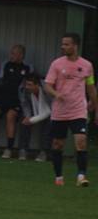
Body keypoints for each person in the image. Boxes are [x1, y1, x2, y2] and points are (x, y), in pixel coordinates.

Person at [44, 33, 97, 187]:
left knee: (81, 141)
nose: (63, 47)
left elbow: (91, 87)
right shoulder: (57, 64)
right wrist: (56, 94)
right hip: (60, 112)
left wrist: (95, 106)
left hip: (78, 110)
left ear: (75, 46)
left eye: (67, 44)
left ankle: (81, 176)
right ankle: (59, 177)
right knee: (57, 145)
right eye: (62, 44)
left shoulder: (87, 65)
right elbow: (47, 85)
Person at [0, 44, 32, 158]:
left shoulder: (27, 68)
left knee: (10, 116)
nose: (11, 56)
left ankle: (9, 148)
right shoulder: (5, 65)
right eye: (11, 53)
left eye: (14, 53)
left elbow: (31, 83)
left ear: (21, 55)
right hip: (2, 97)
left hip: (17, 100)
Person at [17, 72, 51, 162]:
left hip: (50, 109)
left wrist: (34, 119)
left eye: (30, 85)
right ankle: (23, 150)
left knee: (49, 123)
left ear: (37, 85)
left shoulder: (47, 88)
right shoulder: (23, 89)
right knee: (24, 120)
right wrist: (28, 116)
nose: (27, 87)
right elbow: (24, 104)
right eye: (26, 84)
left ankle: (44, 152)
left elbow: (52, 106)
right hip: (32, 108)